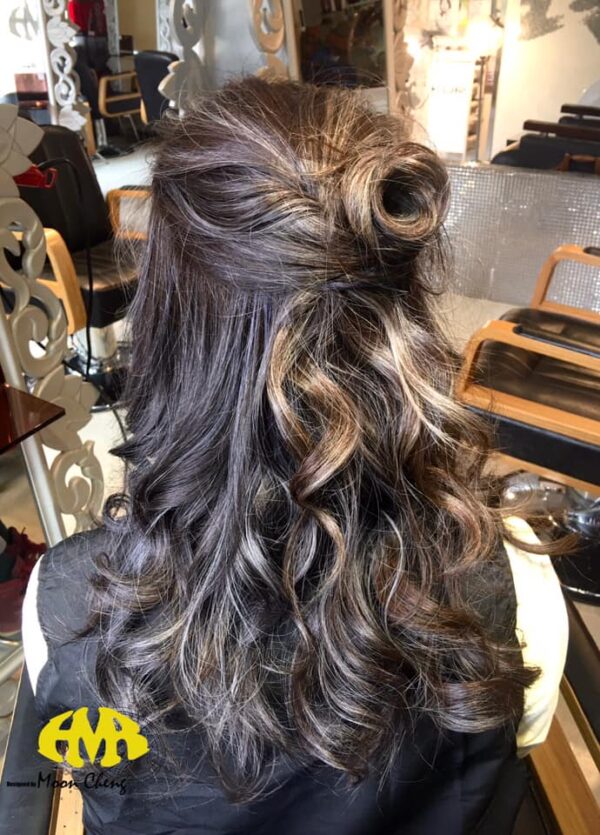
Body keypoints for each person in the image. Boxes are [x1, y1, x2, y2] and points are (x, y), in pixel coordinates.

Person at [22, 77, 567, 835]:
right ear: (400, 314)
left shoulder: (63, 611)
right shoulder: (516, 588)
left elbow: (88, 784)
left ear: (169, 320)